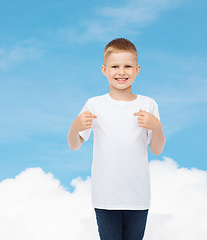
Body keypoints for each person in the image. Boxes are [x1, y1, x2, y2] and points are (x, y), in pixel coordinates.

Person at [67, 38, 166, 240]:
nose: (121, 72)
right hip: (105, 195)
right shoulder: (94, 104)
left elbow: (157, 149)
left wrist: (157, 127)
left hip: (138, 196)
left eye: (127, 66)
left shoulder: (148, 104)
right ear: (104, 69)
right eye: (115, 66)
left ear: (137, 69)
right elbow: (75, 144)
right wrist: (74, 127)